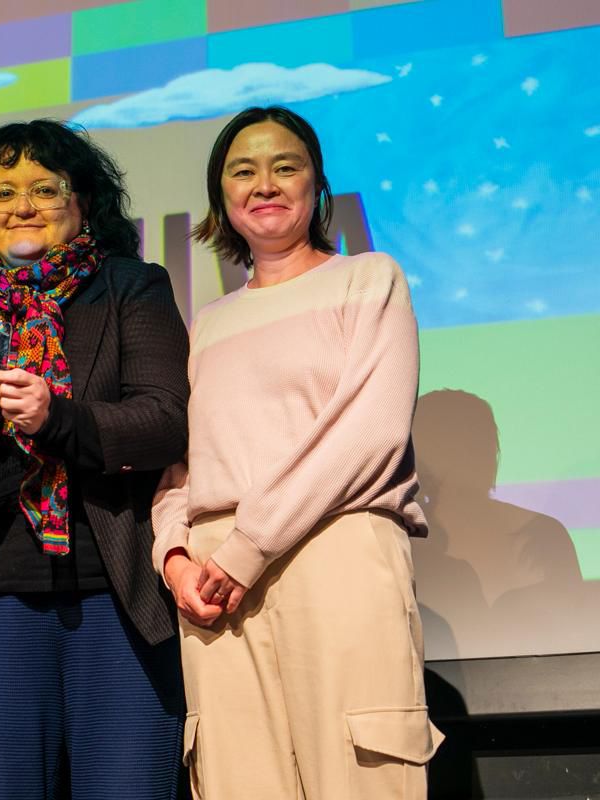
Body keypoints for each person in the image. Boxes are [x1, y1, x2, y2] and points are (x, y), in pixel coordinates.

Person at [152, 105, 445, 800]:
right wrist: (174, 557)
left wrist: (248, 547)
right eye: (243, 171)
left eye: (285, 166)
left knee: (361, 776)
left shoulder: (367, 279)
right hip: (215, 581)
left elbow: (370, 433)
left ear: (317, 184)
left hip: (332, 545)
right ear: (220, 196)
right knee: (236, 779)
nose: (265, 184)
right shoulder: (207, 324)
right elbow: (180, 467)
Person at [0, 119, 190, 799]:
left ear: (82, 200)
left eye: (44, 189)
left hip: (114, 597)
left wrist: (57, 418)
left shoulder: (129, 288)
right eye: (3, 192)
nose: (21, 206)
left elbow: (165, 422)